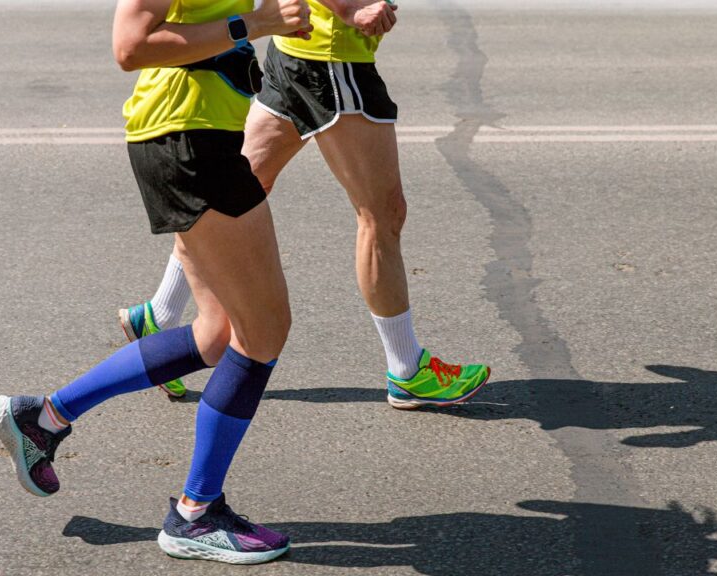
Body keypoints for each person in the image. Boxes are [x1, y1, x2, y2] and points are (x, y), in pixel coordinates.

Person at [0, 0, 313, 564]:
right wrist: (255, 24)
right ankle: (196, 514)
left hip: (201, 135)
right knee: (264, 332)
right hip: (187, 141)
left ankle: (42, 417)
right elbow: (131, 45)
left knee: (217, 334)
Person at [119, 0, 492, 409]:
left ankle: (160, 314)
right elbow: (129, 47)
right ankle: (407, 369)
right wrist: (348, 8)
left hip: (301, 48)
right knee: (382, 215)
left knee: (228, 196)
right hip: (331, 56)